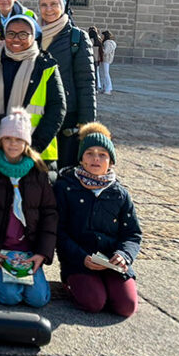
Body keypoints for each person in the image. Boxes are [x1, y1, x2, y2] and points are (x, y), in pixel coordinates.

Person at [0, 108, 56, 307]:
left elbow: (50, 213)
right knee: (10, 297)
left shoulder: (38, 172)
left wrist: (42, 253)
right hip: (0, 249)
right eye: (8, 138)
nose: (13, 144)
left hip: (29, 250)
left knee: (38, 299)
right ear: (0, 140)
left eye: (18, 139)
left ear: (26, 142)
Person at [54, 123, 140, 317]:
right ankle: (74, 284)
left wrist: (123, 255)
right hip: (79, 260)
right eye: (90, 153)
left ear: (110, 161)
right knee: (94, 303)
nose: (96, 158)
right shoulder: (66, 187)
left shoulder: (119, 194)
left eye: (102, 154)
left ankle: (111, 285)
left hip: (111, 260)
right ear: (81, 159)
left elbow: (132, 234)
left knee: (126, 307)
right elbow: (59, 232)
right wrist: (81, 257)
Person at [0, 15, 66, 165]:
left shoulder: (45, 66)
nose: (16, 39)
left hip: (35, 151)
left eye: (23, 34)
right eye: (11, 33)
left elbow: (57, 109)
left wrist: (33, 147)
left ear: (34, 37)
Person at [37, 0, 97, 170]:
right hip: (38, 111)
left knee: (65, 167)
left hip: (67, 116)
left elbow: (86, 81)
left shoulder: (77, 38)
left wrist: (86, 123)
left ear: (63, 6)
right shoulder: (32, 34)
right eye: (44, 5)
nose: (49, 9)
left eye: (54, 4)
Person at [99, 30, 116, 95]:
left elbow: (106, 52)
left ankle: (108, 88)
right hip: (104, 59)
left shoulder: (108, 43)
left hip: (106, 59)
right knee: (103, 74)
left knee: (106, 74)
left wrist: (100, 49)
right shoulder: (107, 42)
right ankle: (105, 88)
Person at [88, 27, 104, 93]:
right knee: (96, 74)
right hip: (97, 59)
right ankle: (96, 88)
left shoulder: (91, 40)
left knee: (91, 74)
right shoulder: (99, 40)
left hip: (92, 59)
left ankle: (93, 87)